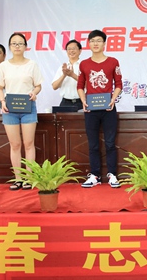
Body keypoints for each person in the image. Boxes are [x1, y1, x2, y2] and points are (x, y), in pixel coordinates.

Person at [0, 33, 43, 191]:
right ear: (9, 46)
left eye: (20, 43)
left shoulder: (32, 64)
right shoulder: (4, 66)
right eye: (14, 43)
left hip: (28, 108)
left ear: (25, 46)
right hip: (9, 109)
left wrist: (34, 92)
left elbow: (38, 85)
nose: (17, 46)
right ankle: (18, 179)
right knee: (15, 145)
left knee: (29, 144)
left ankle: (29, 178)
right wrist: (2, 101)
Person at [77, 30, 123, 188]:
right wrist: (83, 100)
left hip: (108, 108)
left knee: (110, 143)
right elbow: (80, 85)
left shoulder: (113, 62)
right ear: (88, 44)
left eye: (98, 40)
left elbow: (118, 84)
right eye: (92, 41)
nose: (95, 43)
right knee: (93, 144)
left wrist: (113, 99)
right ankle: (95, 175)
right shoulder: (84, 64)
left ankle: (112, 174)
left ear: (104, 43)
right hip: (90, 109)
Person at [52, 39, 82, 111]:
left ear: (80, 51)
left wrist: (72, 75)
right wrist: (64, 75)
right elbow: (54, 86)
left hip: (81, 101)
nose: (71, 51)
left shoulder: (84, 66)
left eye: (74, 48)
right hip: (65, 103)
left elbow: (88, 85)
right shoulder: (62, 67)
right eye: (69, 49)